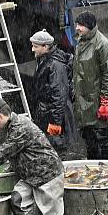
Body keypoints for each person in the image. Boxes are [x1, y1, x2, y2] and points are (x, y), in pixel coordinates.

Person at [72, 11, 108, 160]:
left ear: (89, 26)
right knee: (91, 144)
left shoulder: (103, 45)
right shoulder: (82, 41)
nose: (77, 28)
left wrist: (105, 102)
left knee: (105, 145)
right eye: (77, 24)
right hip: (87, 103)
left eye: (80, 25)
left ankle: (106, 176)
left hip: (99, 104)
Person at [29, 29, 74, 160]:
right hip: (47, 114)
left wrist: (55, 124)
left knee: (57, 154)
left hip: (55, 117)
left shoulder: (55, 65)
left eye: (35, 46)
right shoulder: (45, 60)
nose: (33, 49)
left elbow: (59, 96)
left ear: (46, 47)